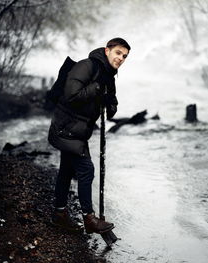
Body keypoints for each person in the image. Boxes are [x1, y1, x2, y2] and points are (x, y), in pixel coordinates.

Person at [48, 37, 130, 233]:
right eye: (118, 53)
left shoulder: (109, 75)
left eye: (125, 56)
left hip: (77, 132)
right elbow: (71, 96)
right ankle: (89, 219)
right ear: (107, 50)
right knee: (86, 169)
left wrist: (111, 103)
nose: (121, 58)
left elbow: (110, 108)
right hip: (66, 128)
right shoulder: (87, 66)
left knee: (67, 170)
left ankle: (59, 214)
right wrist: (97, 88)